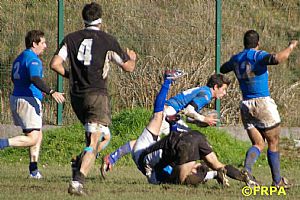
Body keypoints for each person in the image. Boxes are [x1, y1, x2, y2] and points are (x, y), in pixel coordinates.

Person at [50, 2, 137, 196]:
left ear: (83, 19)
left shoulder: (70, 38)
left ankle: (79, 162)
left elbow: (55, 64)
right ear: (101, 19)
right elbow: (128, 67)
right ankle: (77, 181)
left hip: (77, 97)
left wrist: (71, 75)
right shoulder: (107, 40)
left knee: (104, 137)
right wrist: (132, 58)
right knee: (95, 138)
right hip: (97, 95)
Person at [101, 73, 231, 178]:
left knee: (147, 143)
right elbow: (190, 111)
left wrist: (200, 121)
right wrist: (204, 119)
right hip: (168, 113)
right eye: (224, 89)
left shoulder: (203, 90)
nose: (225, 93)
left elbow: (187, 114)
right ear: (215, 87)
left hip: (169, 111)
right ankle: (190, 171)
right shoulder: (207, 94)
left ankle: (112, 157)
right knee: (191, 141)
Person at [220, 29, 298, 188]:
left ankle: (247, 171)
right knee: (273, 141)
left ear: (244, 43)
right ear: (258, 43)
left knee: (258, 144)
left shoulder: (237, 58)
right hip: (262, 103)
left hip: (246, 105)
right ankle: (277, 181)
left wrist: (235, 63)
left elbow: (223, 69)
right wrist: (291, 46)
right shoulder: (258, 55)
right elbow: (277, 59)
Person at [0, 30, 65, 179]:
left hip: (17, 97)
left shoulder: (20, 57)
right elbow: (35, 78)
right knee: (33, 138)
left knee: (37, 134)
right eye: (42, 43)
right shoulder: (33, 59)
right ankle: (2, 143)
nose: (45, 46)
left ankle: (34, 170)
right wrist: (51, 91)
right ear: (34, 43)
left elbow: (14, 78)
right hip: (27, 101)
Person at [137, 117, 256, 187]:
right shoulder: (162, 145)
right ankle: (244, 177)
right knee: (218, 165)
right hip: (196, 135)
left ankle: (203, 169)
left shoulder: (151, 158)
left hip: (185, 144)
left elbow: (155, 176)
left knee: (181, 182)